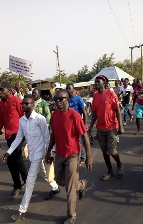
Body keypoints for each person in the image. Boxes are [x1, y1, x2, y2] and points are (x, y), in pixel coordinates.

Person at [45, 90, 93, 224]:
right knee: (60, 181)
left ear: (67, 99)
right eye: (56, 99)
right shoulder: (54, 115)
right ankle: (81, 184)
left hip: (72, 154)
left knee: (70, 188)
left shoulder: (75, 116)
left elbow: (84, 136)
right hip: (59, 154)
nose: (58, 101)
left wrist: (88, 157)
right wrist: (48, 151)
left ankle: (71, 215)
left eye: (61, 99)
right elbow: (53, 134)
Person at [2, 95, 51, 221]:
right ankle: (55, 187)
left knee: (29, 181)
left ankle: (21, 210)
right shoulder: (22, 120)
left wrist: (49, 153)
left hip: (40, 153)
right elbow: (19, 137)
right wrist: (8, 152)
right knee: (45, 174)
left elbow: (46, 137)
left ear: (32, 105)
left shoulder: (40, 119)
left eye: (26, 103)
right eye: (22, 103)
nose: (23, 105)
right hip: (32, 153)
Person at [0, 81, 28, 200]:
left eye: (2, 90)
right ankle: (27, 181)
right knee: (18, 160)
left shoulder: (17, 101)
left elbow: (25, 116)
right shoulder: (1, 104)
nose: (0, 92)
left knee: (12, 160)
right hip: (8, 135)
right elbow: (0, 120)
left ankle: (17, 186)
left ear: (9, 90)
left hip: (19, 134)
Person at [88, 75, 124, 181]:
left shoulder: (111, 94)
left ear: (104, 83)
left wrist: (121, 126)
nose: (96, 83)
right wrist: (90, 128)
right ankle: (110, 171)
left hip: (112, 127)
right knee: (105, 151)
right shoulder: (95, 96)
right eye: (95, 81)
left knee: (112, 151)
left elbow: (117, 110)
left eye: (98, 81)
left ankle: (119, 165)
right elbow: (94, 113)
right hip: (100, 128)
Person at [32, 88, 60, 200]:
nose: (34, 94)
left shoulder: (43, 103)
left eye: (35, 92)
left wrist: (46, 127)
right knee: (38, 165)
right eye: (33, 93)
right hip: (33, 137)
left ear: (39, 94)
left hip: (42, 134)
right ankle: (54, 185)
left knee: (44, 163)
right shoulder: (31, 103)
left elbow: (48, 115)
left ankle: (54, 185)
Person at [66, 83, 88, 166]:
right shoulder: (66, 100)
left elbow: (84, 113)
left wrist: (85, 124)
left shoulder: (78, 99)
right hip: (69, 124)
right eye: (67, 89)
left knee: (79, 141)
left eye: (69, 89)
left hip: (78, 123)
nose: (68, 90)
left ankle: (82, 157)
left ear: (73, 89)